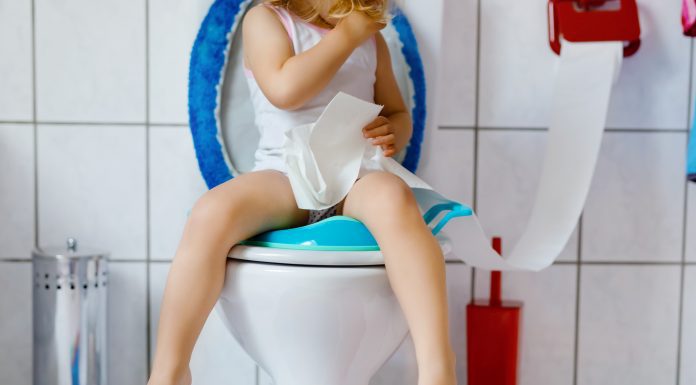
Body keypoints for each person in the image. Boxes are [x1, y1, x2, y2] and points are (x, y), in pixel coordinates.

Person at [147, 1, 456, 384]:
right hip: (286, 176)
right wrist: (347, 36)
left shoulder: (371, 41)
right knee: (210, 213)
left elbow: (398, 112)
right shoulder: (266, 20)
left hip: (354, 175)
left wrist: (394, 129)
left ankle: (437, 368)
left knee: (395, 199)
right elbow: (285, 90)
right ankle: (170, 371)